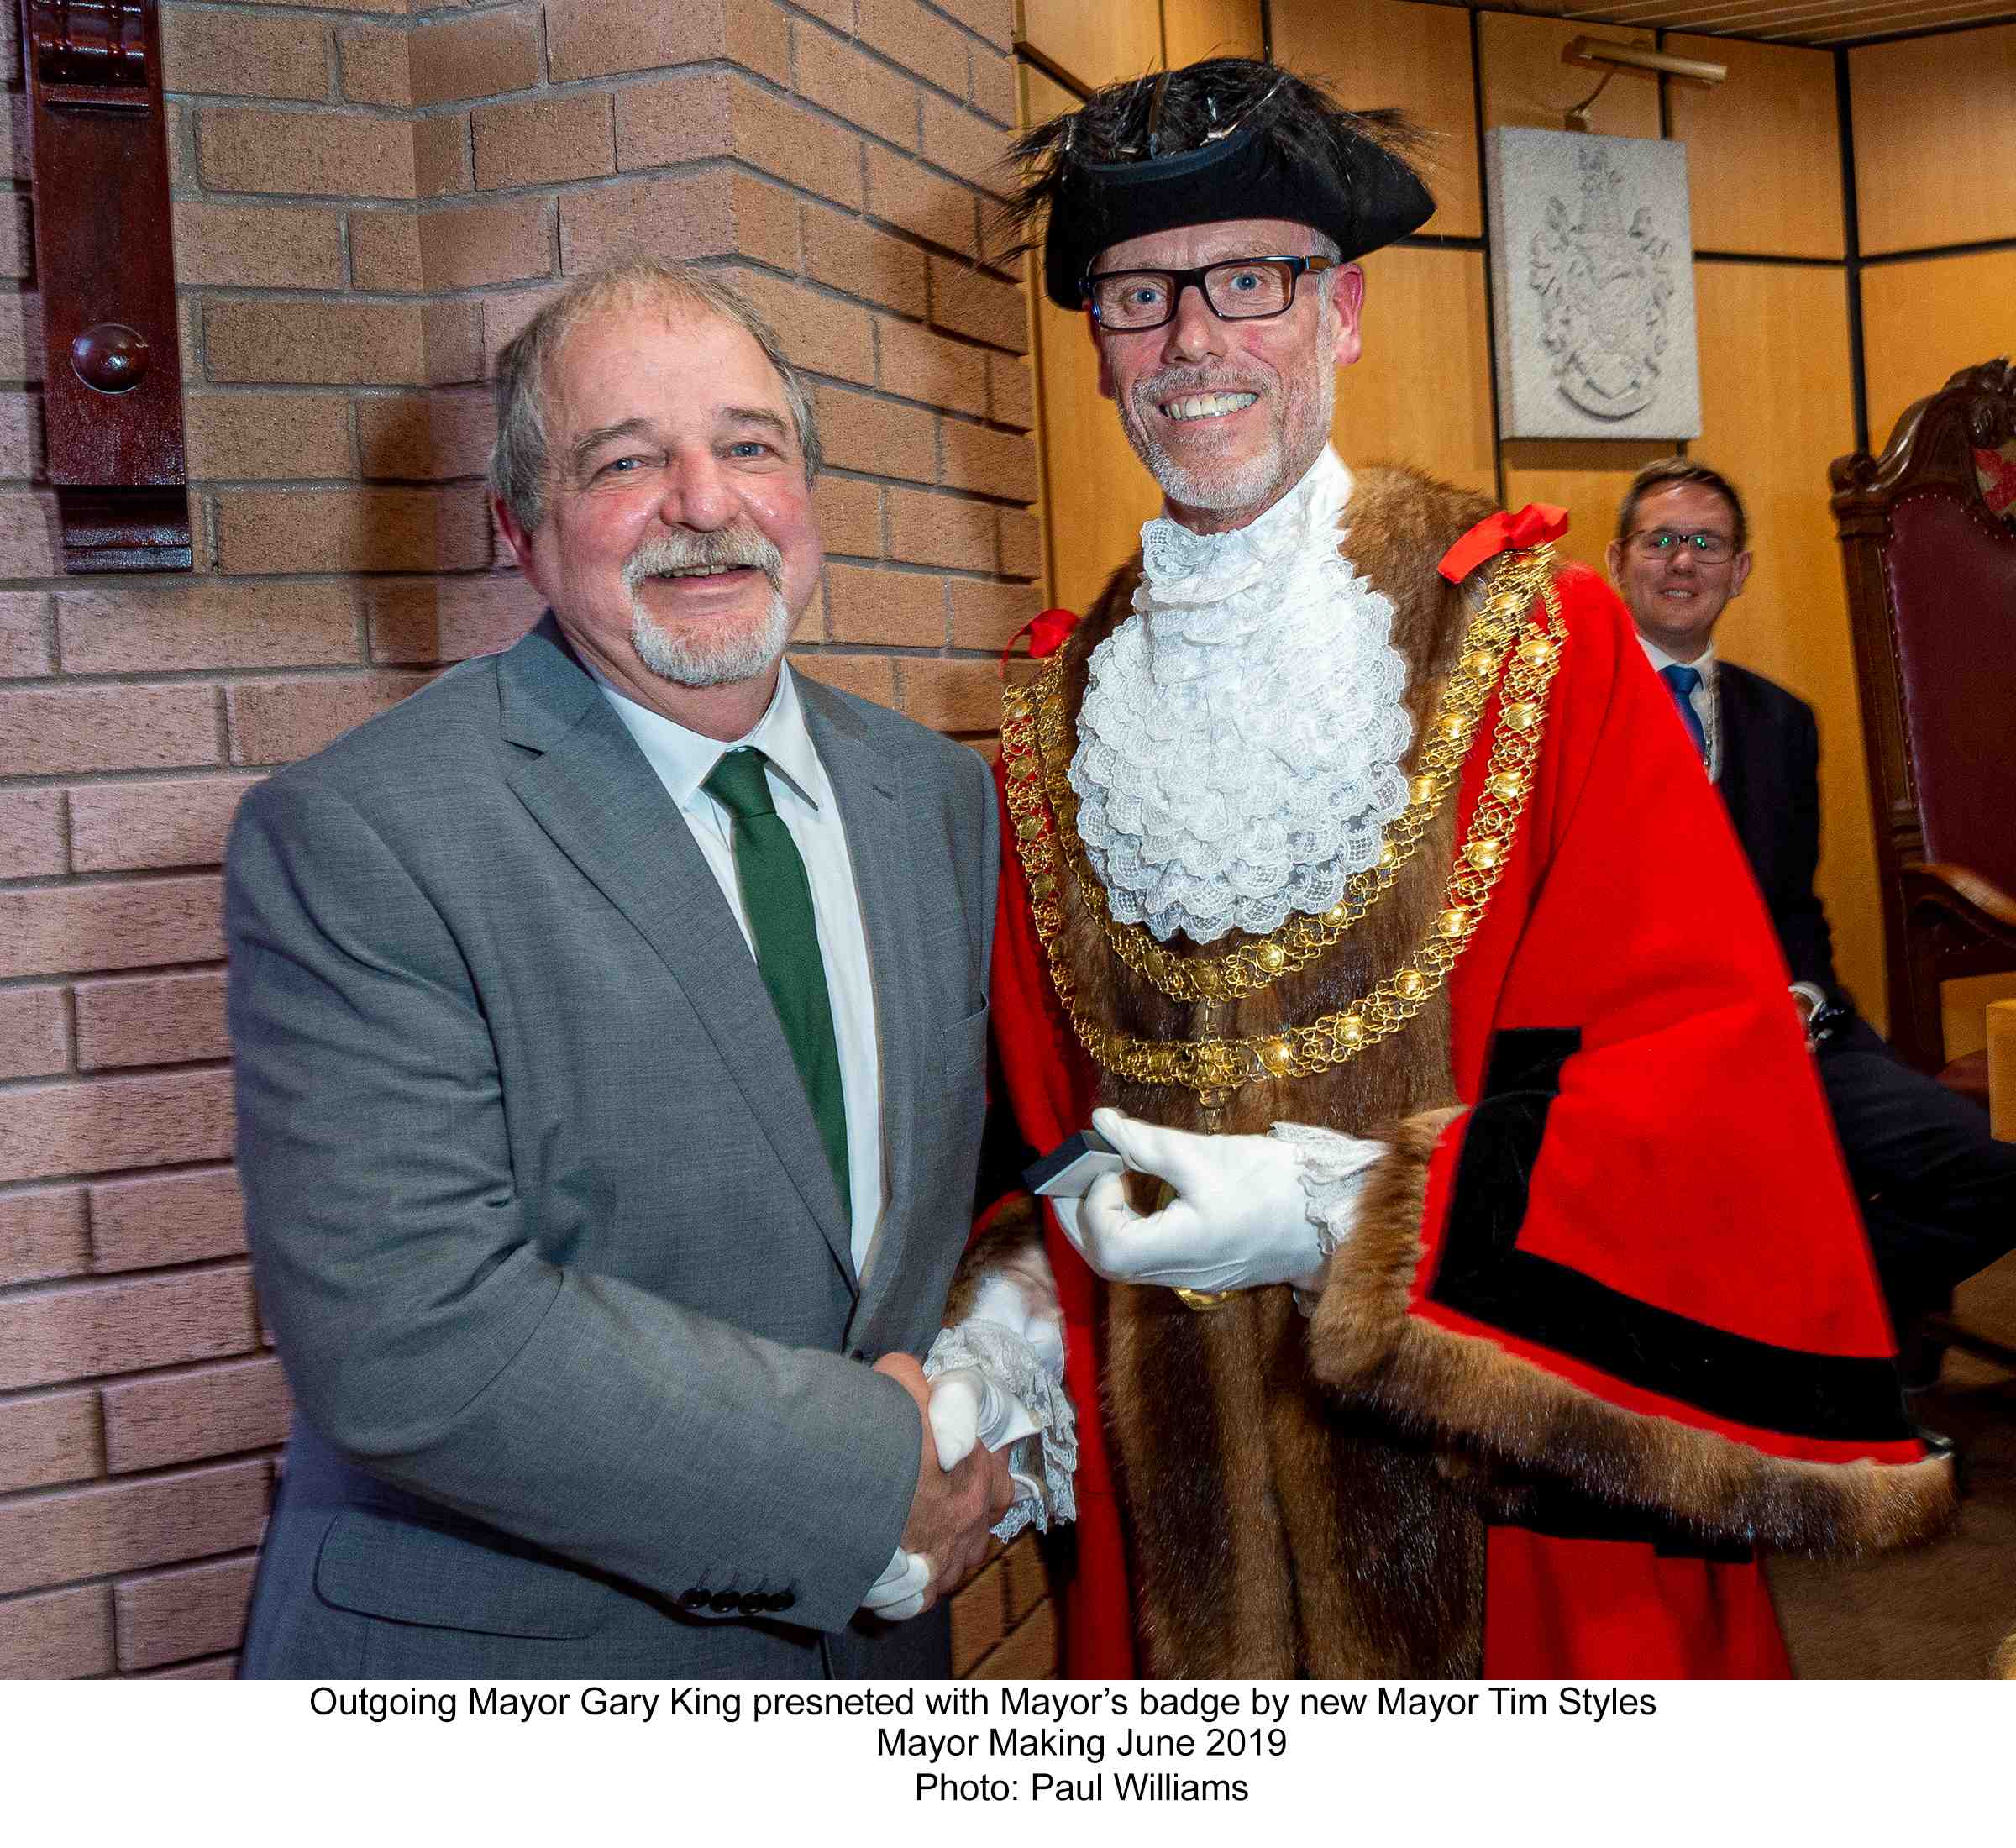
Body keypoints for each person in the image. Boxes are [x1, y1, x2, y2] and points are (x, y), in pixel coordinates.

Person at [965, 58, 1953, 1681]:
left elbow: (1707, 1098)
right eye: (1141, 295)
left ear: (1342, 313)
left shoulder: (1537, 640)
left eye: (1250, 279)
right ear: (1097, 347)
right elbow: (1036, 1120)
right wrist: (1000, 1332)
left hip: (1509, 1536)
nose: (1194, 339)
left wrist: (1345, 1220)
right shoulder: (1057, 712)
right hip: (1185, 1538)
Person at [228, 260, 1009, 1679]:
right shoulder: (362, 832)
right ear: (519, 531)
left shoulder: (941, 799)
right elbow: (407, 1333)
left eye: (749, 446)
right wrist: (870, 1479)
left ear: (808, 495)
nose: (704, 503)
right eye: (625, 462)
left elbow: (978, 1190)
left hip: (876, 1655)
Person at [1609, 456, 2016, 1376]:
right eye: (1661, 540)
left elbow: (1795, 903)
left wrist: (1800, 999)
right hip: (1634, 1051)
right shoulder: (1557, 712)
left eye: (1707, 542)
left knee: (1989, 1173)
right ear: (1618, 561)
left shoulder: (1781, 721)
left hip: (1788, 1039)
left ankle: (1784, 1330)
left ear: (1741, 570)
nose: (1683, 560)